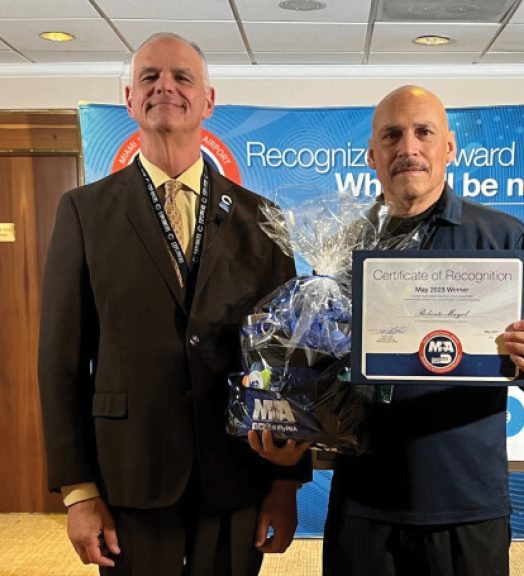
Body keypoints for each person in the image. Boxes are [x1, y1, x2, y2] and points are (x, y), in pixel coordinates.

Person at [38, 32, 309, 576]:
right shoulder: (85, 212)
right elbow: (61, 362)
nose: (166, 86)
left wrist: (285, 483)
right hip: (129, 475)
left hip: (237, 471)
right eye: (150, 77)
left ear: (208, 101)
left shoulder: (263, 219)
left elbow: (288, 359)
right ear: (130, 99)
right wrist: (77, 491)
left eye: (182, 77)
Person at [319, 85, 524, 576]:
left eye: (423, 132)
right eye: (392, 135)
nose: (408, 148)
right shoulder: (343, 245)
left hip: (467, 502)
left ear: (448, 148)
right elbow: (319, 362)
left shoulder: (503, 237)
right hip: (365, 498)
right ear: (372, 154)